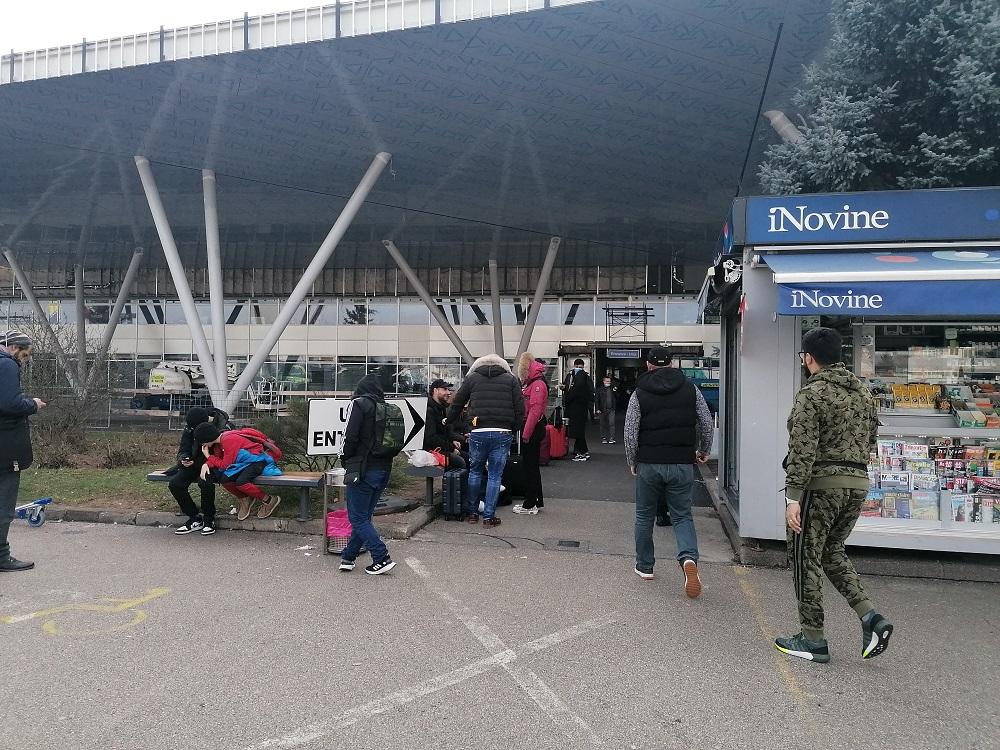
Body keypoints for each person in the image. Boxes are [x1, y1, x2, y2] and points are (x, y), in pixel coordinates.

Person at [775, 327, 893, 664]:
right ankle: (871, 617)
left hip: (821, 485)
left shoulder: (811, 394)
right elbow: (870, 442)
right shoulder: (864, 394)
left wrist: (792, 497)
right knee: (832, 553)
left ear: (809, 358)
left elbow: (802, 446)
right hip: (856, 484)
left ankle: (812, 638)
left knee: (804, 557)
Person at [624, 346, 713, 597]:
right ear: (672, 363)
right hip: (682, 462)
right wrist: (704, 449)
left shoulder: (640, 391)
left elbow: (630, 430)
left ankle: (645, 566)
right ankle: (688, 559)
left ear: (649, 365)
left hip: (649, 463)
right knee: (682, 516)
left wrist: (632, 459)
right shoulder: (689, 387)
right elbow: (706, 421)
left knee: (644, 515)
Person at [447, 354, 524, 528]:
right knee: (495, 475)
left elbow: (458, 402)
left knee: (474, 471)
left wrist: (449, 420)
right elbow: (520, 407)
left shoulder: (472, 378)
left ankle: (473, 513)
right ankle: (489, 517)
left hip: (478, 431)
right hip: (503, 432)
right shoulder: (511, 380)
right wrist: (515, 428)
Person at [338, 374, 398, 574]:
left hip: (362, 468)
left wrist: (346, 459)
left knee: (358, 518)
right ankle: (348, 557)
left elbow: (351, 436)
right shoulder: (387, 408)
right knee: (364, 516)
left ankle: (381, 557)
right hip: (384, 468)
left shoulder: (360, 404)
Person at [0, 331, 45, 572]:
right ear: (15, 347)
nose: (23, 360)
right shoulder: (6, 364)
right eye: (24, 355)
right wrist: (33, 404)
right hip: (5, 446)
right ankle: (1, 556)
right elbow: (9, 403)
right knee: (4, 503)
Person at [196, 424, 282, 522]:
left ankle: (269, 500)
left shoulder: (228, 440)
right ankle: (245, 499)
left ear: (207, 439)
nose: (203, 445)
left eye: (202, 442)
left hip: (257, 460)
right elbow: (219, 458)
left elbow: (225, 465)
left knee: (242, 482)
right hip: (244, 463)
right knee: (225, 480)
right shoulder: (219, 442)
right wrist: (207, 464)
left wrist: (208, 456)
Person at [169, 406, 228, 536]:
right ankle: (194, 517)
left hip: (212, 464)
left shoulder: (223, 426)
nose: (193, 431)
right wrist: (184, 459)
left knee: (205, 483)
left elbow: (224, 454)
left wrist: (206, 463)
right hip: (193, 464)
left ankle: (209, 518)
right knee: (175, 484)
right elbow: (184, 448)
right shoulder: (191, 425)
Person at [512, 353, 548, 515]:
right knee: (532, 466)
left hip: (532, 428)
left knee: (530, 467)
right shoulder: (536, 383)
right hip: (533, 428)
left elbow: (534, 410)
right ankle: (536, 500)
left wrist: (525, 434)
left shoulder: (536, 385)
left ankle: (530, 503)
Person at [563, 358, 594, 461]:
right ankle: (582, 451)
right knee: (577, 431)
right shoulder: (570, 376)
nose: (578, 369)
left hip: (578, 408)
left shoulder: (583, 378)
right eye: (577, 367)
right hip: (574, 408)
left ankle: (582, 452)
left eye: (580, 367)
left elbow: (582, 391)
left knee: (578, 431)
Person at [595, 374, 619, 444]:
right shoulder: (599, 389)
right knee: (602, 424)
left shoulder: (612, 388)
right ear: (603, 381)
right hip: (602, 409)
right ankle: (603, 438)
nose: (608, 383)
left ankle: (612, 438)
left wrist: (615, 391)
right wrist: (597, 409)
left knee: (612, 423)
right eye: (607, 381)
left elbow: (617, 397)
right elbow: (597, 400)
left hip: (611, 409)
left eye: (609, 381)